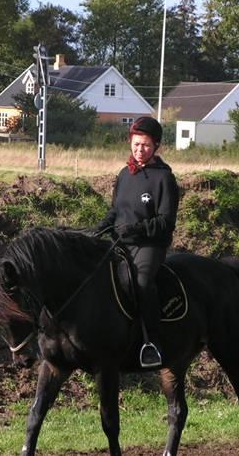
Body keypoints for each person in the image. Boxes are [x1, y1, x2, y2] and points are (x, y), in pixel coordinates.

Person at [94, 116, 179, 368]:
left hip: (150, 245)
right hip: (121, 241)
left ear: (156, 147)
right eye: (136, 144)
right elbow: (116, 211)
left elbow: (165, 222)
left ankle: (151, 343)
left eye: (145, 146)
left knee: (141, 283)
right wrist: (101, 226)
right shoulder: (124, 174)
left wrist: (136, 228)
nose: (139, 150)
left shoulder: (164, 179)